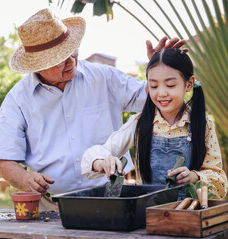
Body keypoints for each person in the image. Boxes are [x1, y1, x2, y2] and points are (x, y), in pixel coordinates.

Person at [0, 8, 187, 209]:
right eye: (60, 60)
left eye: (72, 52)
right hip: (53, 207)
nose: (71, 61)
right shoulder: (18, 99)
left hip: (112, 198)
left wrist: (159, 72)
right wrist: (25, 178)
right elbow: (3, 159)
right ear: (37, 66)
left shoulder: (105, 77)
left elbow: (154, 100)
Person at [82, 48, 228, 199]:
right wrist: (102, 162)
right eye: (153, 86)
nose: (161, 93)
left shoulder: (203, 124)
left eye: (170, 85)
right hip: (147, 215)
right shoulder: (140, 123)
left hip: (189, 214)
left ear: (189, 84)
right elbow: (98, 152)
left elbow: (219, 181)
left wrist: (194, 177)